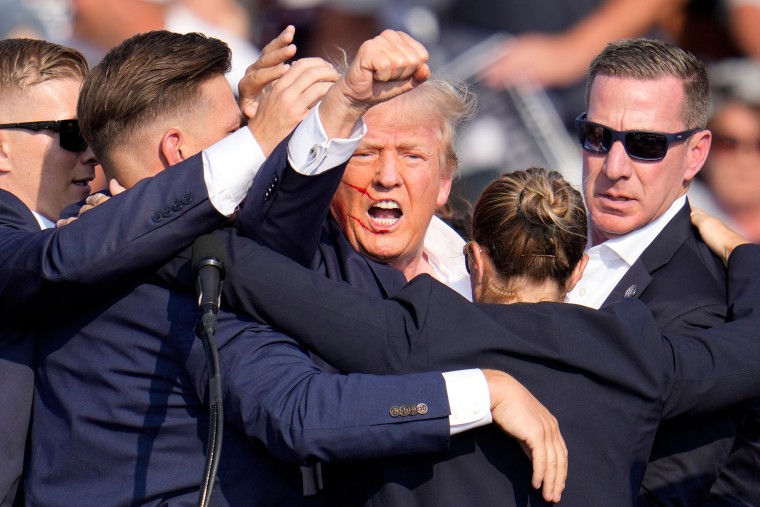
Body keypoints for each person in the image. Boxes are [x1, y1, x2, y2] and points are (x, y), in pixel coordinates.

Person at [25, 30, 567, 506]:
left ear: (449, 178)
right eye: (238, 132)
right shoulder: (182, 272)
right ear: (176, 153)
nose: (253, 147)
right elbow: (303, 412)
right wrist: (483, 392)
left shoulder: (92, 247)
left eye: (414, 156)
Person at [172, 167, 760, 505]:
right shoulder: (642, 358)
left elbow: (230, 261)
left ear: (474, 260)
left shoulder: (414, 334)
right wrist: (743, 254)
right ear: (579, 269)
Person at [0, 37, 269, 506]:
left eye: (94, 134)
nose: (92, 154)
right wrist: (249, 143)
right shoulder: (53, 243)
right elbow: (53, 265)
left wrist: (226, 126)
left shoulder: (91, 223)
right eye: (72, 133)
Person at [564, 37, 753, 504]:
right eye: (597, 137)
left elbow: (658, 493)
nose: (613, 166)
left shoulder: (705, 304)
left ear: (695, 152)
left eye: (645, 145)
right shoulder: (528, 238)